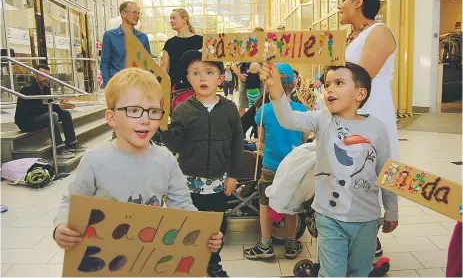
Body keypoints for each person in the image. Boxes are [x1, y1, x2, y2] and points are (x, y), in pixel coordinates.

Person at [53, 68, 224, 258]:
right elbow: (72, 202)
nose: (145, 120)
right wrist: (61, 226)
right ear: (111, 118)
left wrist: (204, 232)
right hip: (105, 260)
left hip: (148, 258)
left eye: (153, 111)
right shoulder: (94, 160)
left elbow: (182, 206)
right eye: (134, 110)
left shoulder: (165, 159)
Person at [260, 62, 399, 277]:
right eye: (327, 84)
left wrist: (392, 210)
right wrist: (276, 89)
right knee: (331, 273)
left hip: (367, 218)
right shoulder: (322, 120)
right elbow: (289, 119)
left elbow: (385, 171)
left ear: (360, 93)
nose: (329, 89)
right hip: (329, 216)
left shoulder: (377, 128)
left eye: (339, 83)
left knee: (359, 271)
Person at [160, 50, 243, 277]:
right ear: (188, 78)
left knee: (217, 227)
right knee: (189, 225)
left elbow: (237, 143)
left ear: (220, 77)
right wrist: (164, 128)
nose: (202, 78)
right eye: (195, 73)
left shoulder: (229, 109)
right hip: (188, 183)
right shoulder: (183, 109)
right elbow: (176, 146)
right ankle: (189, 263)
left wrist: (234, 175)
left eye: (209, 72)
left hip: (219, 182)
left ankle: (213, 263)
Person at [339, 0, 399, 255]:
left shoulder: (380, 31)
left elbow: (361, 79)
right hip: (352, 110)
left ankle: (370, 239)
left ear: (358, 2)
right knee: (350, 173)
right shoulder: (352, 35)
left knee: (371, 170)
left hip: (371, 110)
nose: (339, 5)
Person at [244, 64, 309, 261]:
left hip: (271, 166)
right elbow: (305, 139)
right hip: (293, 168)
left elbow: (261, 140)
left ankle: (265, 244)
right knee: (291, 205)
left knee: (265, 203)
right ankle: (290, 244)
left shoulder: (264, 110)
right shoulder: (301, 109)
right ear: (294, 84)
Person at [14, 64, 84, 159]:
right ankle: (59, 149)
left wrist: (59, 105)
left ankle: (71, 143)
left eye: (47, 76)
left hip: (37, 116)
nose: (46, 78)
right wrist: (58, 106)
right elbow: (35, 109)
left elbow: (49, 104)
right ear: (35, 75)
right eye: (43, 75)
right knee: (53, 115)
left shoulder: (45, 87)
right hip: (26, 121)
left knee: (65, 113)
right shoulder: (28, 88)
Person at [100, 1, 150, 88]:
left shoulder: (143, 37)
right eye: (134, 12)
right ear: (123, 14)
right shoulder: (109, 36)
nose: (137, 15)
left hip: (137, 85)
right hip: (117, 85)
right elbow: (105, 62)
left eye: (138, 13)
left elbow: (148, 64)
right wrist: (107, 84)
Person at [162, 8, 203, 91]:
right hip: (176, 90)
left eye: (173, 18)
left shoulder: (201, 40)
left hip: (198, 88)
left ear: (184, 19)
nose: (171, 21)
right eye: (170, 18)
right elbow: (165, 68)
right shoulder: (169, 43)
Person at [232, 26, 265, 116]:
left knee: (261, 108)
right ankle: (241, 129)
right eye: (256, 36)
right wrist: (240, 76)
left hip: (260, 84)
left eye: (260, 37)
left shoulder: (264, 52)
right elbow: (234, 66)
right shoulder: (246, 52)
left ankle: (258, 129)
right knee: (242, 107)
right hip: (245, 84)